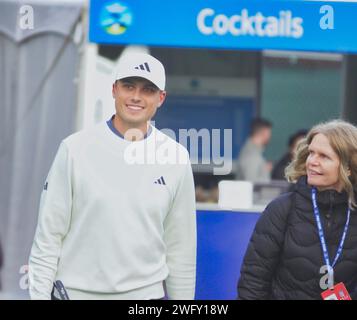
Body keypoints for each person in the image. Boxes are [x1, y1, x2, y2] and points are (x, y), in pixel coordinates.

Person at [28, 53, 197, 300]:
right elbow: (48, 237)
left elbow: (180, 249)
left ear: (160, 98)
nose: (136, 97)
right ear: (114, 89)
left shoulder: (176, 158)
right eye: (129, 86)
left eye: (148, 90)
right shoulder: (75, 149)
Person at [237, 119, 357, 300]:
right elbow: (253, 282)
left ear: (348, 167)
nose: (312, 162)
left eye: (323, 156)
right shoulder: (282, 210)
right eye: (311, 153)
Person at [235, 118, 273, 183]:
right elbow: (252, 182)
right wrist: (265, 171)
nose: (270, 136)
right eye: (269, 133)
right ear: (265, 133)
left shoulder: (253, 151)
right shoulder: (251, 154)